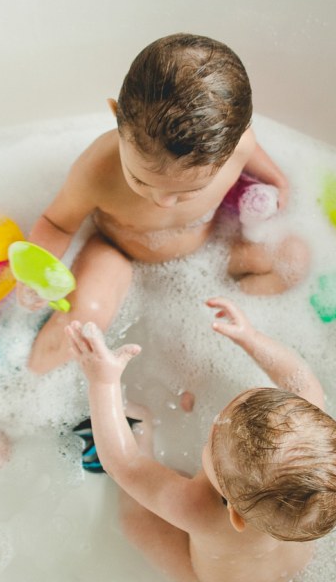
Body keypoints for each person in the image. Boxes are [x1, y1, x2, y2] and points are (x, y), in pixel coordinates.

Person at [21, 33, 311, 373]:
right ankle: (28, 386)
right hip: (118, 250)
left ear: (230, 148)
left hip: (207, 249)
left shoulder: (239, 146)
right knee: (87, 318)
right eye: (141, 180)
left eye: (188, 191)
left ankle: (218, 321)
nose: (163, 201)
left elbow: (252, 151)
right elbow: (57, 223)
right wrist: (36, 276)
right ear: (117, 118)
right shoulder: (98, 169)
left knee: (293, 259)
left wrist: (277, 179)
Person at [63, 297, 336, 582]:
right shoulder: (310, 457)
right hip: (291, 566)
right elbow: (301, 381)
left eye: (212, 440)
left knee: (137, 523)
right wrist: (252, 338)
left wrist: (103, 383)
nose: (214, 425)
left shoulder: (199, 509)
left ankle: (141, 431)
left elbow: (125, 465)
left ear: (234, 515)